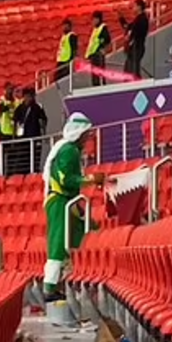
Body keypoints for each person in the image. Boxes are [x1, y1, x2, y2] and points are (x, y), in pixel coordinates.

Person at [42, 113, 105, 302]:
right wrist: (91, 179)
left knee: (88, 231)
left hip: (69, 201)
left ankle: (72, 277)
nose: (88, 138)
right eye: (86, 134)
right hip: (62, 201)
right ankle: (50, 287)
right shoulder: (69, 151)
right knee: (59, 243)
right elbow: (65, 179)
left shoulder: (67, 149)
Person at [13, 88, 47, 176]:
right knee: (23, 156)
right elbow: (15, 122)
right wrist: (15, 136)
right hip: (22, 138)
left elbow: (43, 120)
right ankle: (23, 173)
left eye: (31, 96)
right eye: (27, 96)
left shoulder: (37, 107)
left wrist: (43, 132)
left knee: (35, 156)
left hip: (35, 136)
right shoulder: (19, 108)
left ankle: (34, 171)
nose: (29, 98)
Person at [120, 0, 150, 79]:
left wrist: (130, 37)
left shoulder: (142, 19)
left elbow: (138, 33)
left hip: (137, 47)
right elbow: (127, 27)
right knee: (128, 70)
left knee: (134, 70)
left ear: (139, 7)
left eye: (134, 6)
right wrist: (121, 19)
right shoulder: (136, 20)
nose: (133, 8)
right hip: (133, 48)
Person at [0, 82, 18, 175]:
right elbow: (2, 108)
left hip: (14, 131)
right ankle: (0, 171)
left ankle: (11, 172)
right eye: (9, 89)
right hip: (4, 131)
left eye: (12, 89)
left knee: (13, 153)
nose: (11, 91)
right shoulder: (1, 100)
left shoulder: (17, 101)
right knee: (1, 152)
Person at [86, 11, 112, 87]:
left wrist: (101, 46)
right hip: (93, 55)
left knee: (99, 74)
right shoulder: (95, 29)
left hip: (98, 54)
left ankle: (101, 87)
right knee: (94, 76)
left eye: (93, 19)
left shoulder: (103, 27)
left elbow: (106, 38)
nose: (92, 21)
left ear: (97, 19)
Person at [55, 19, 78, 83]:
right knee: (58, 78)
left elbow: (74, 49)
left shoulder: (71, 35)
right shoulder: (63, 36)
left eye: (66, 26)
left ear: (70, 27)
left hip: (67, 60)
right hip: (61, 60)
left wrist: (72, 59)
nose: (64, 27)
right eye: (63, 26)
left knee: (64, 78)